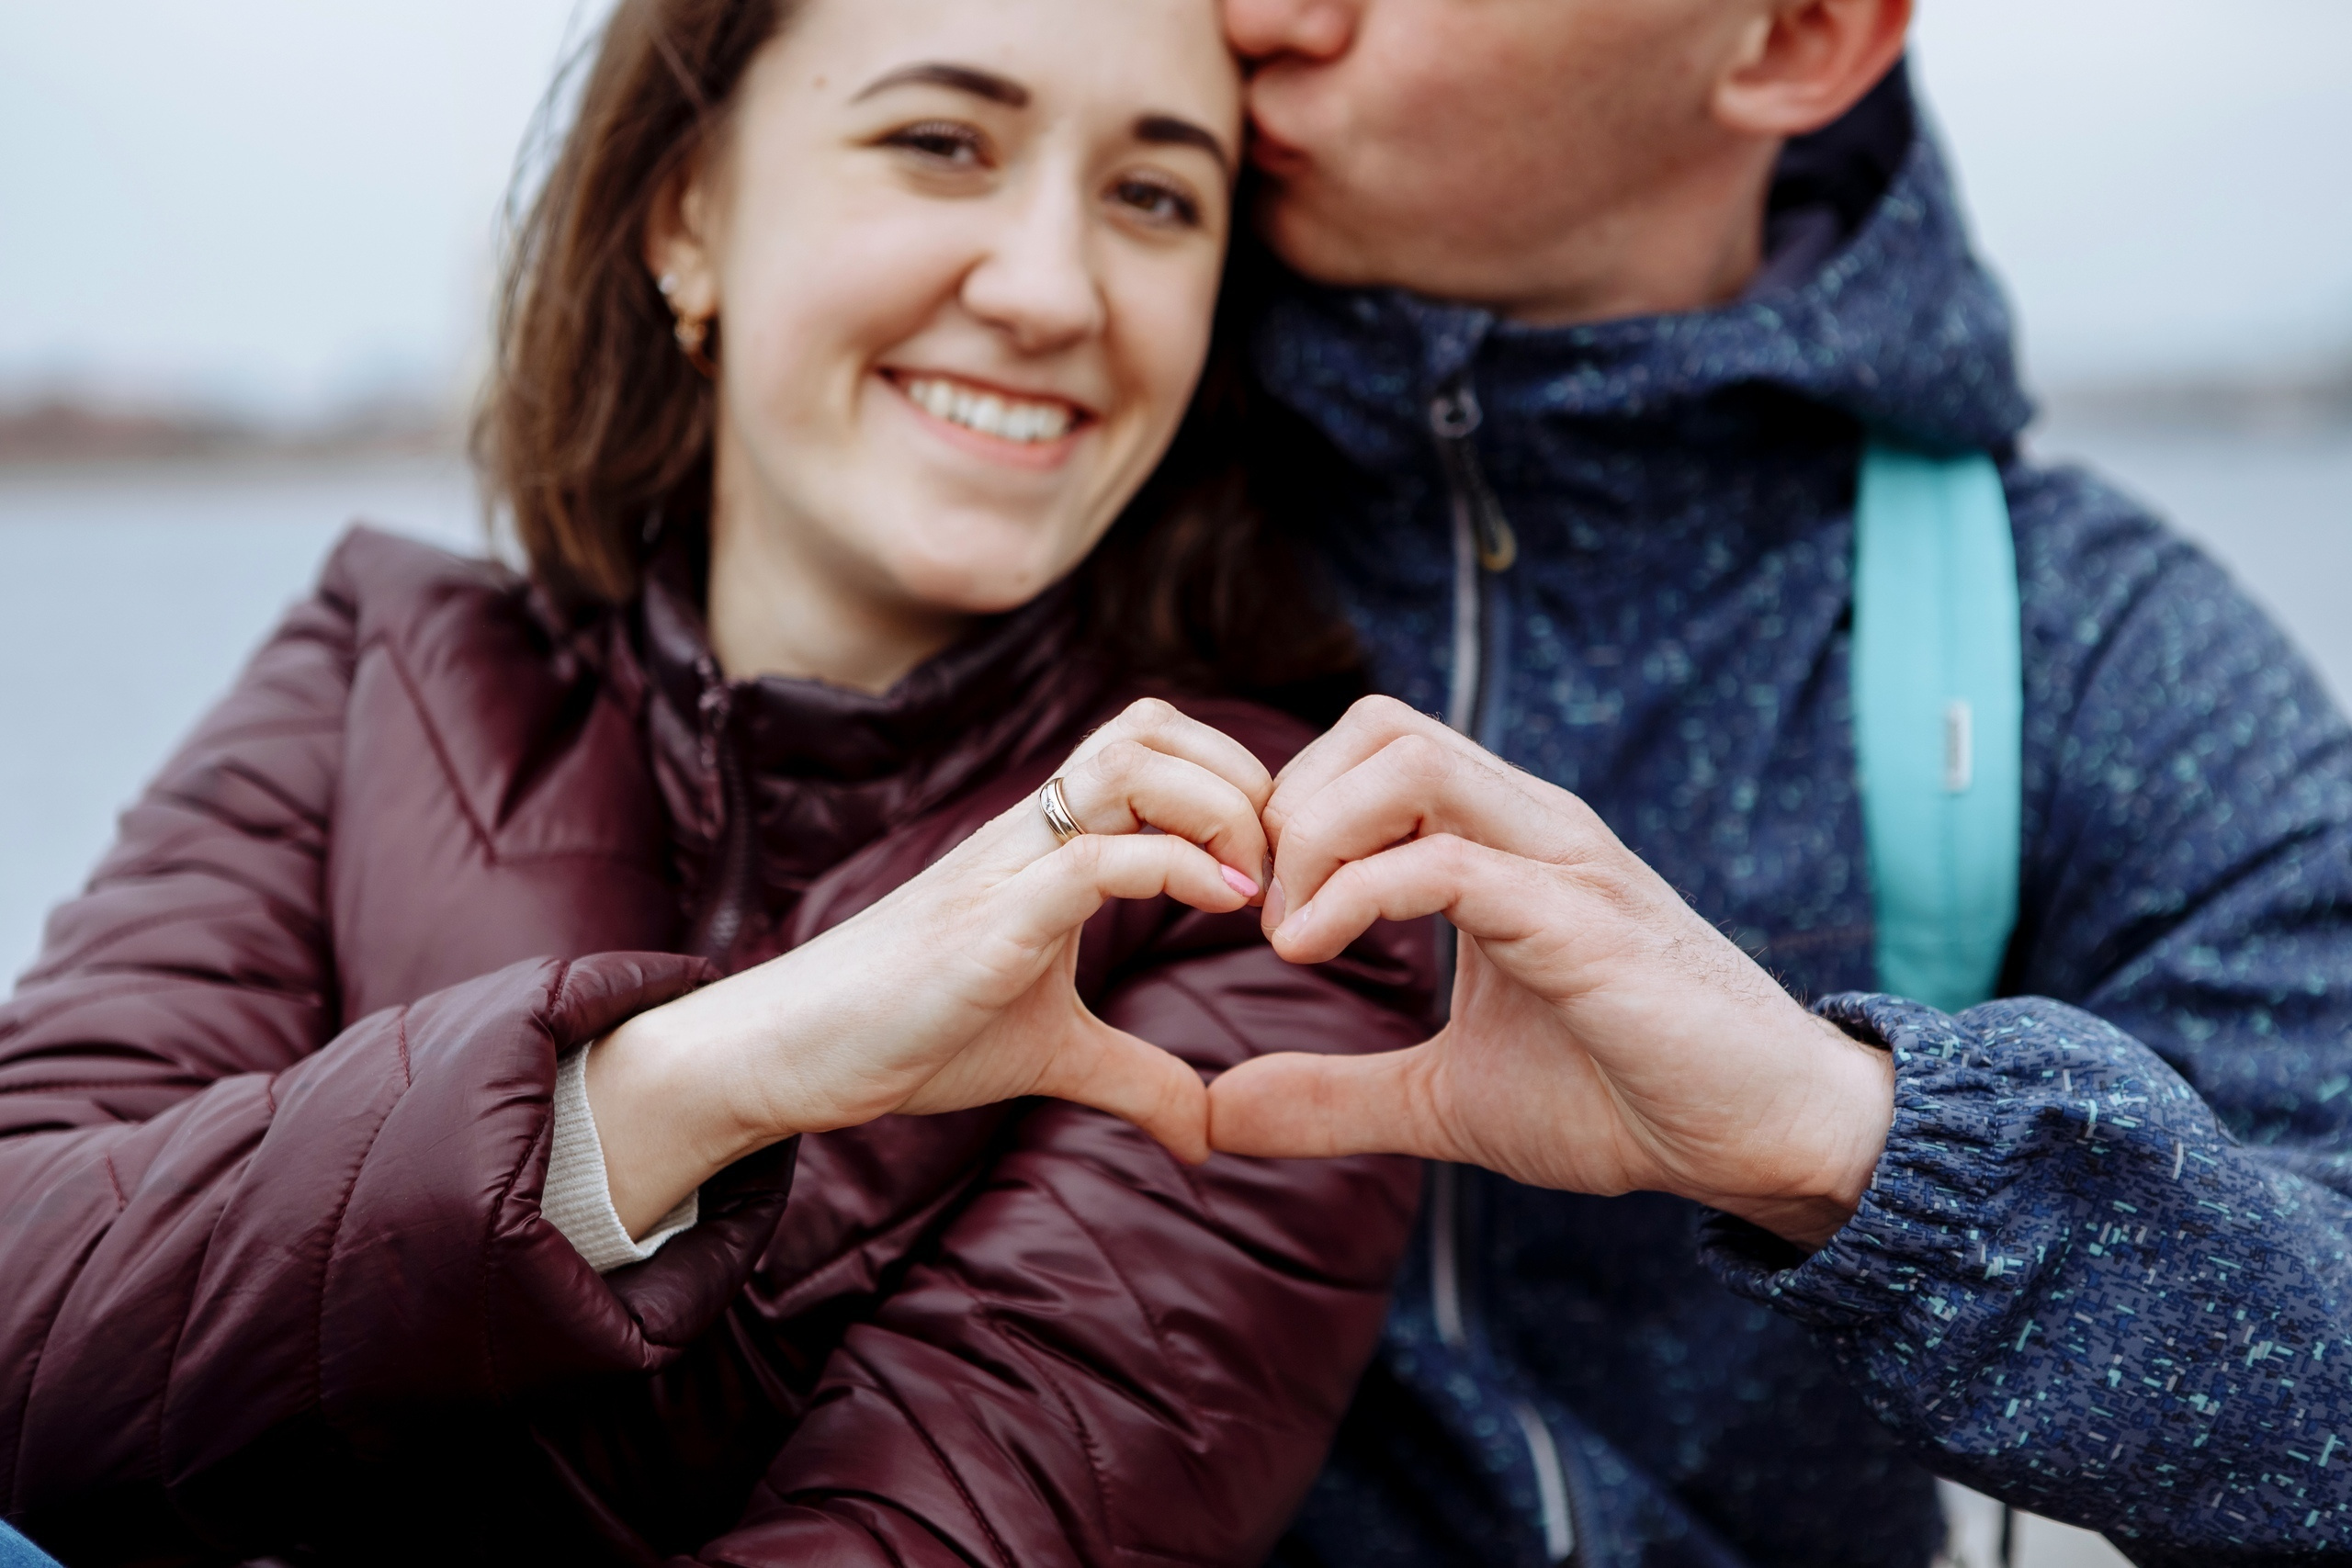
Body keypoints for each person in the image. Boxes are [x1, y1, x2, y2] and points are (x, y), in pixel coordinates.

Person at [0, 1, 1430, 1562]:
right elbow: (24, 1311)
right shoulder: (382, 659)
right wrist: (684, 1086)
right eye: (941, 142)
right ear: (686, 212)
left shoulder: (1262, 863)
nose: (1047, 289)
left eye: (1153, 196)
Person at [1205, 0, 2352, 1562]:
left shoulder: (2075, 642)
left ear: (1796, 41)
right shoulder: (1019, 484)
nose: (1270, 14)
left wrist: (1859, 1145)